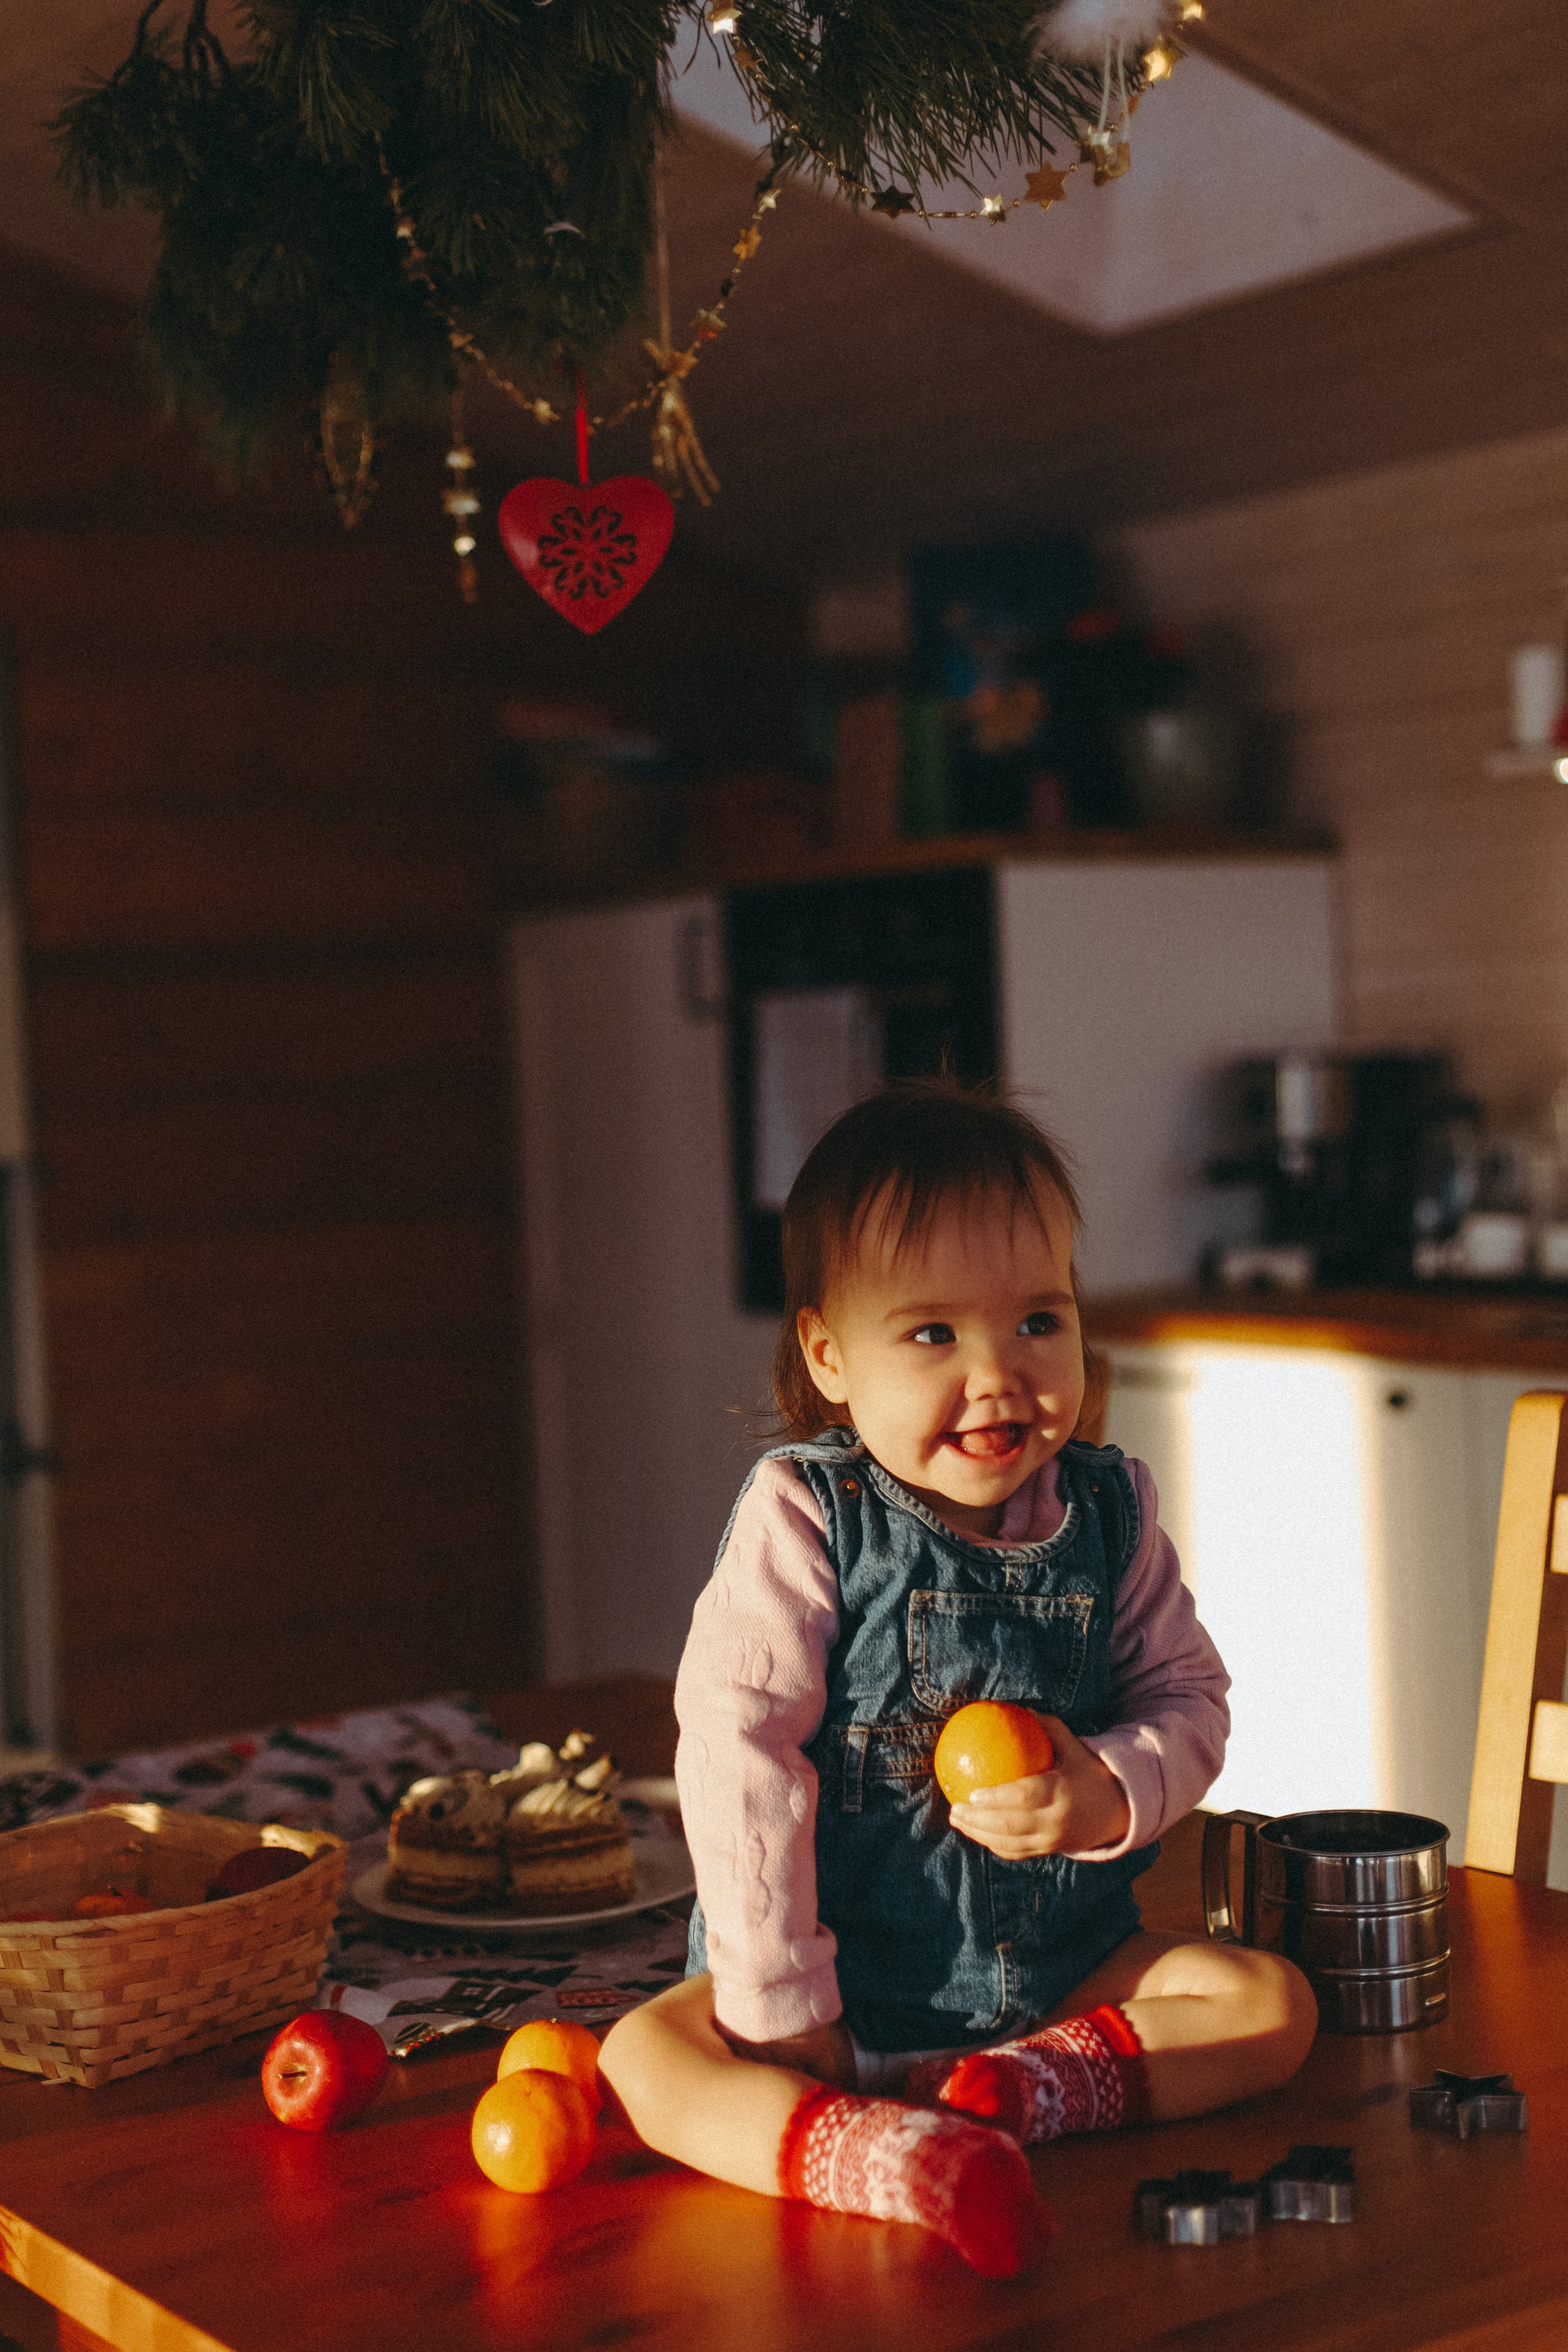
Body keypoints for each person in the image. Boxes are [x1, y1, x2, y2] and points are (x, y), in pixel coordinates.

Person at [600, 1083, 1315, 2277]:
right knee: (643, 2060)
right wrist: (781, 1995)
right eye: (933, 1335)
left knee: (1268, 2005)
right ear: (829, 1355)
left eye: (1037, 1319)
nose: (998, 1374)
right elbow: (737, 1754)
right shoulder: (806, 1517)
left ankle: (1018, 2098)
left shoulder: (1109, 1513)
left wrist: (1108, 1788)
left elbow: (1190, 1702)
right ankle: (881, 2159)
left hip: (1056, 1976)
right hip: (838, 1988)